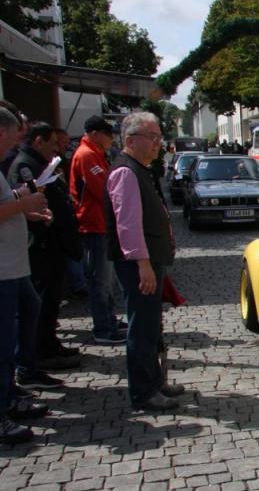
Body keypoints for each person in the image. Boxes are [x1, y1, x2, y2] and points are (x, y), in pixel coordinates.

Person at [105, 112, 182, 411]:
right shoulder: (126, 171)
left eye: (159, 137)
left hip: (149, 260)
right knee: (142, 326)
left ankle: (154, 380)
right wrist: (143, 263)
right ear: (130, 140)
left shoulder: (140, 168)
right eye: (152, 137)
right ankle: (143, 391)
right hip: (139, 263)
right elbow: (128, 225)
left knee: (152, 326)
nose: (157, 144)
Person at [8, 123, 82, 372]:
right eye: (52, 144)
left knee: (48, 301)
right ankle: (36, 355)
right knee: (38, 303)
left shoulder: (35, 163)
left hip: (50, 242)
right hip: (39, 246)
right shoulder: (24, 165)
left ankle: (47, 345)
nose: (56, 150)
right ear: (38, 141)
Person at [0, 108, 54, 445]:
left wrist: (23, 202)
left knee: (22, 320)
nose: (15, 143)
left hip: (13, 265)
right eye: (12, 136)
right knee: (3, 341)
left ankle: (10, 393)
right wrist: (24, 203)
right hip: (3, 269)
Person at [70, 116, 126, 345]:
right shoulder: (86, 155)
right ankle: (103, 328)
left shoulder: (95, 153)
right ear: (95, 133)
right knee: (100, 280)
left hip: (102, 223)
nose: (111, 139)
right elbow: (103, 188)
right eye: (108, 134)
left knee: (106, 278)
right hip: (94, 224)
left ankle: (109, 320)